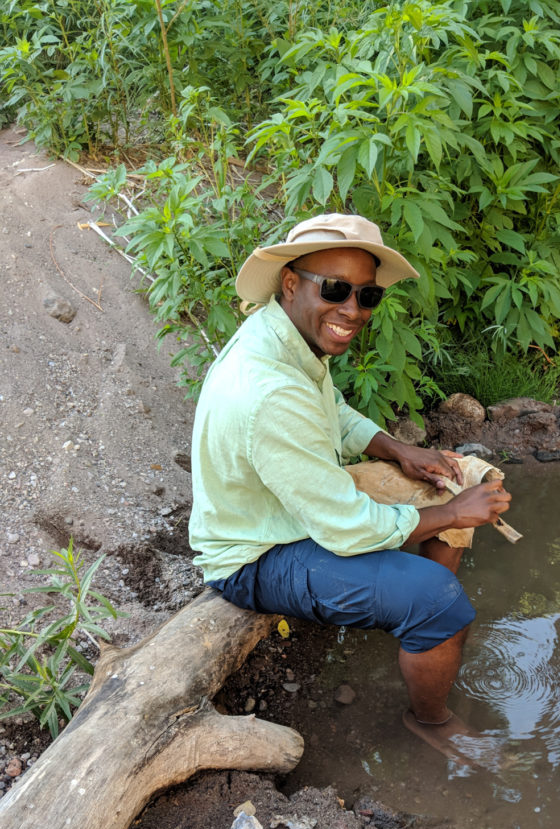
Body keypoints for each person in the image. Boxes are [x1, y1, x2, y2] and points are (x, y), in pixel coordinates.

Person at [188, 213, 511, 751]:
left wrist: (398, 449)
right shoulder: (270, 391)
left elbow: (331, 409)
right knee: (441, 595)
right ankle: (428, 717)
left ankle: (413, 623)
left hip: (289, 506)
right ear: (290, 283)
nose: (352, 310)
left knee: (451, 482)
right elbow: (348, 527)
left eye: (367, 296)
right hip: (254, 553)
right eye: (336, 289)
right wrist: (454, 515)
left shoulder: (286, 335)